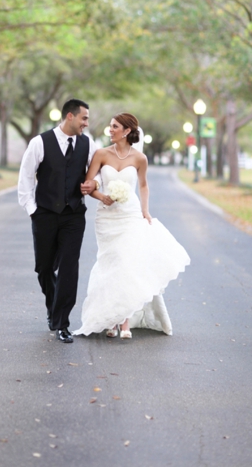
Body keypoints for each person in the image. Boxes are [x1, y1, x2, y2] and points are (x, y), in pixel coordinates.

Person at [72, 113, 189, 340]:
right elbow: (87, 185)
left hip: (130, 215)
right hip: (106, 218)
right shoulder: (101, 154)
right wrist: (102, 196)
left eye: (114, 126)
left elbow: (143, 186)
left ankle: (124, 322)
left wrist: (145, 210)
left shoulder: (139, 158)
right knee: (110, 265)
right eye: (110, 126)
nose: (110, 129)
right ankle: (110, 320)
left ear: (126, 131)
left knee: (127, 265)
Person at [18, 99, 97, 343]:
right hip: (44, 214)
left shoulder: (87, 143)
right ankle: (53, 305)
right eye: (84, 118)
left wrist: (94, 184)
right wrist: (33, 210)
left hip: (74, 215)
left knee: (69, 268)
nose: (86, 123)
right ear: (70, 117)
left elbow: (98, 175)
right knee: (44, 267)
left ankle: (62, 322)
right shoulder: (39, 142)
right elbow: (26, 178)